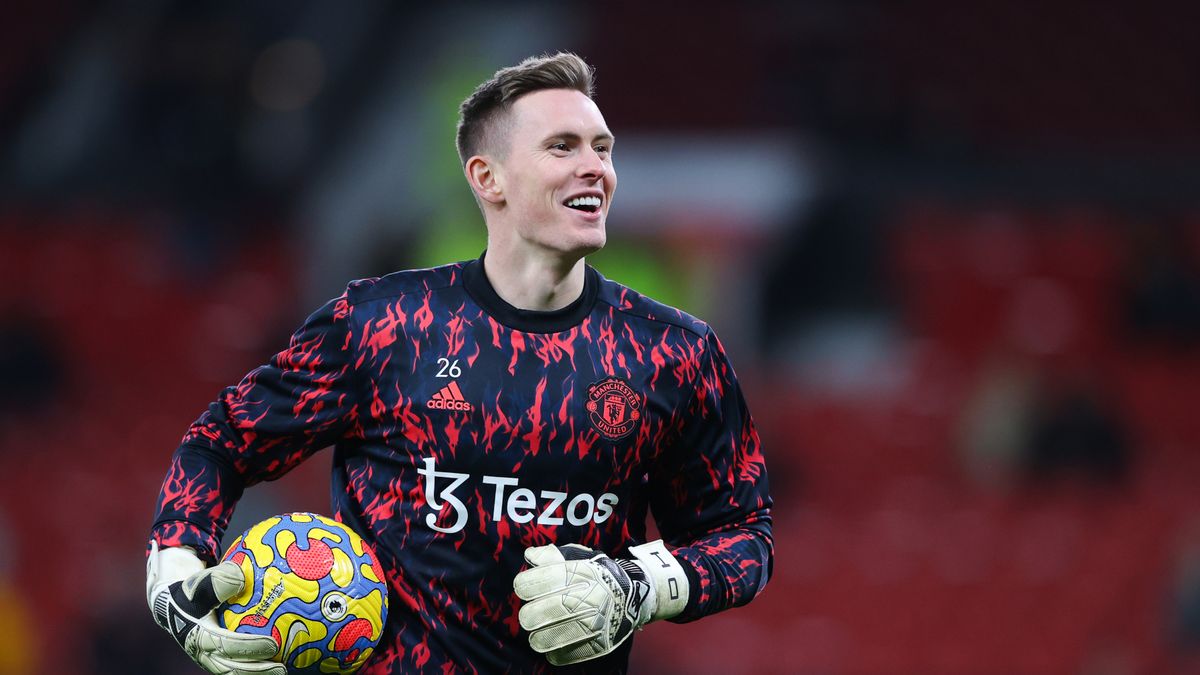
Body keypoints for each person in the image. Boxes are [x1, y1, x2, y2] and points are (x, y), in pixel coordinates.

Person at [146, 52, 773, 674]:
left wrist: (639, 585)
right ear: (487, 178)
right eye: (562, 147)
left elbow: (744, 535)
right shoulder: (383, 324)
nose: (595, 168)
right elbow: (221, 443)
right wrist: (175, 568)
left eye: (602, 148)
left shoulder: (674, 352)